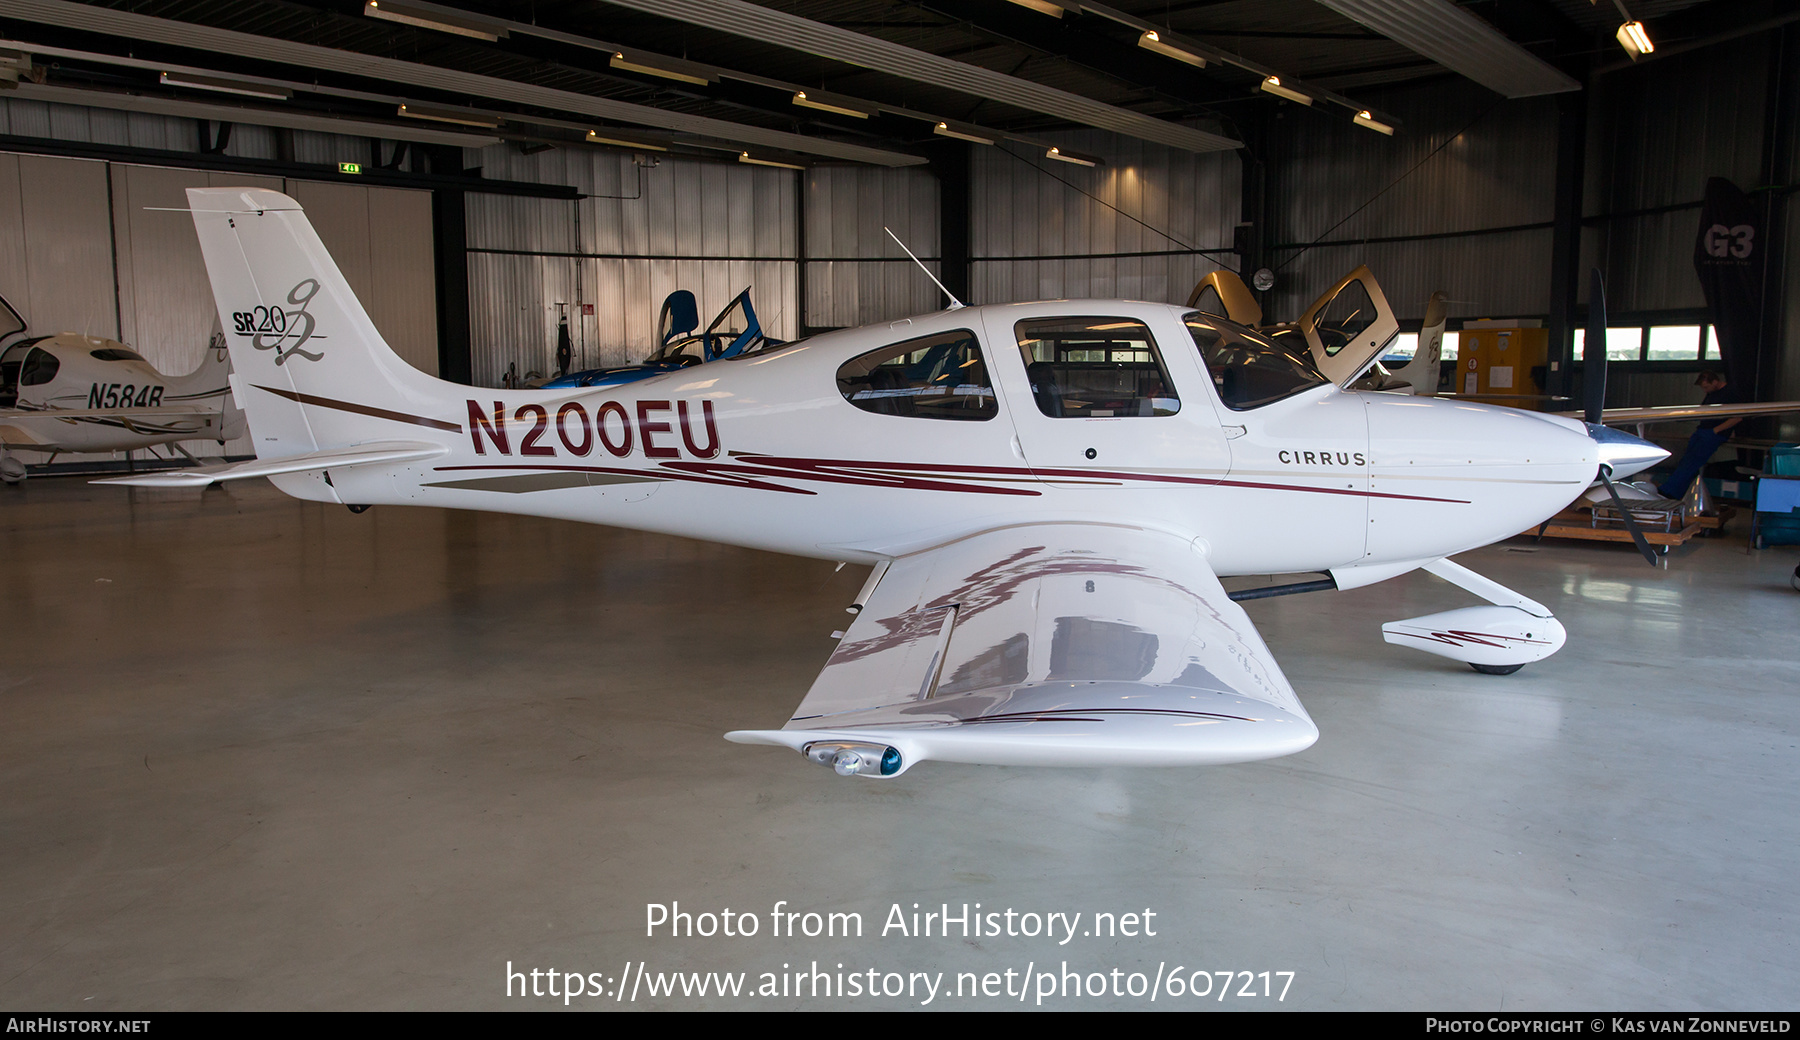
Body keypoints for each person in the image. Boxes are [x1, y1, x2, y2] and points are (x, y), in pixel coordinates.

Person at [1656, 369, 1742, 499]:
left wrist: (1716, 430)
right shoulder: (1712, 393)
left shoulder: (1730, 393)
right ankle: (1676, 492)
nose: (1705, 390)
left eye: (1706, 387)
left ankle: (1669, 490)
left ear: (1715, 382)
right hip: (1703, 430)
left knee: (1692, 462)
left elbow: (1737, 417)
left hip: (1713, 433)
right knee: (1687, 461)